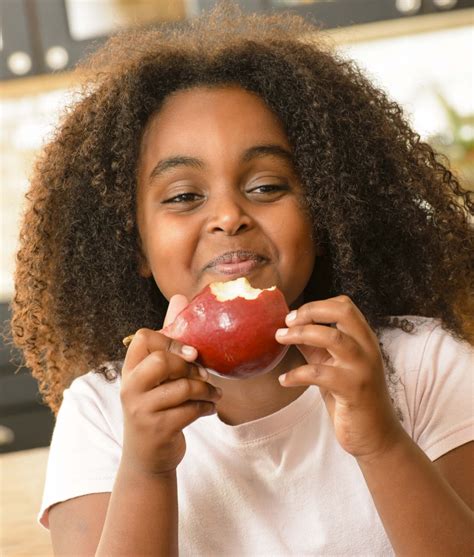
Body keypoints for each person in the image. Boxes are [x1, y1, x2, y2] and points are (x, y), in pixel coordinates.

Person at [10, 5, 473, 556]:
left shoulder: (423, 366)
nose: (229, 216)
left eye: (267, 187)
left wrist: (380, 441)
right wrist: (146, 469)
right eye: (185, 196)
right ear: (134, 245)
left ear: (324, 214)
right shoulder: (104, 414)